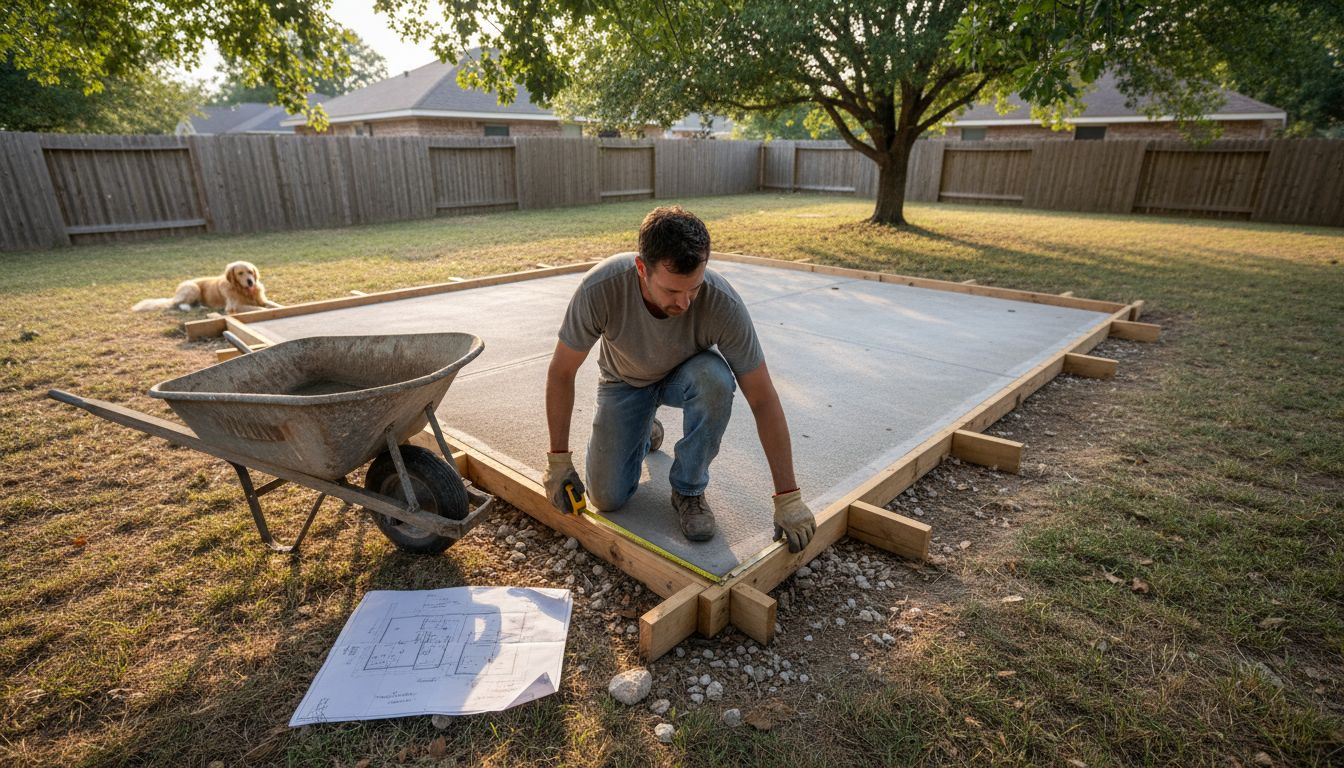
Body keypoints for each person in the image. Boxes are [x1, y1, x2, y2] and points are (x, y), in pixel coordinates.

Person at [542, 205, 816, 552]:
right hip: (625, 382)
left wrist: (788, 497)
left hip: (687, 378)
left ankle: (688, 489)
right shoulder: (602, 288)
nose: (685, 303)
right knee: (607, 497)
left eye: (694, 288)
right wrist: (558, 461)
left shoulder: (722, 303)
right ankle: (644, 429)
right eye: (672, 291)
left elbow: (762, 397)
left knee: (715, 379)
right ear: (642, 268)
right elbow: (562, 371)